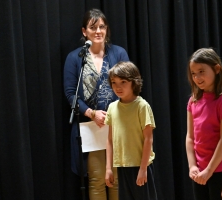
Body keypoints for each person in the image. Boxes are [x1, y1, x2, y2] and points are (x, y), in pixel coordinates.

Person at [63, 8, 129, 200]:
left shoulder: (118, 53)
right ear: (85, 31)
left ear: (106, 29)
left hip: (117, 125)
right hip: (90, 127)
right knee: (97, 180)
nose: (98, 31)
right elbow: (70, 94)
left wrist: (114, 115)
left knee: (116, 179)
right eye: (93, 27)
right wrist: (92, 113)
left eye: (102, 26)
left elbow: (130, 86)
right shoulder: (75, 58)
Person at [185, 48, 222, 200]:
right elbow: (190, 137)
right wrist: (192, 165)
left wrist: (209, 170)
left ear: (217, 69)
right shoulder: (193, 100)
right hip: (199, 171)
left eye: (201, 71)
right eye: (194, 73)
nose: (197, 77)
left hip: (218, 171)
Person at [105, 61, 158, 200]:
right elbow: (110, 140)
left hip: (140, 165)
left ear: (134, 82)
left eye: (123, 82)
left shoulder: (142, 106)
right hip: (122, 166)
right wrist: (108, 168)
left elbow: (148, 139)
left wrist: (143, 169)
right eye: (114, 82)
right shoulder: (112, 107)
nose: (118, 87)